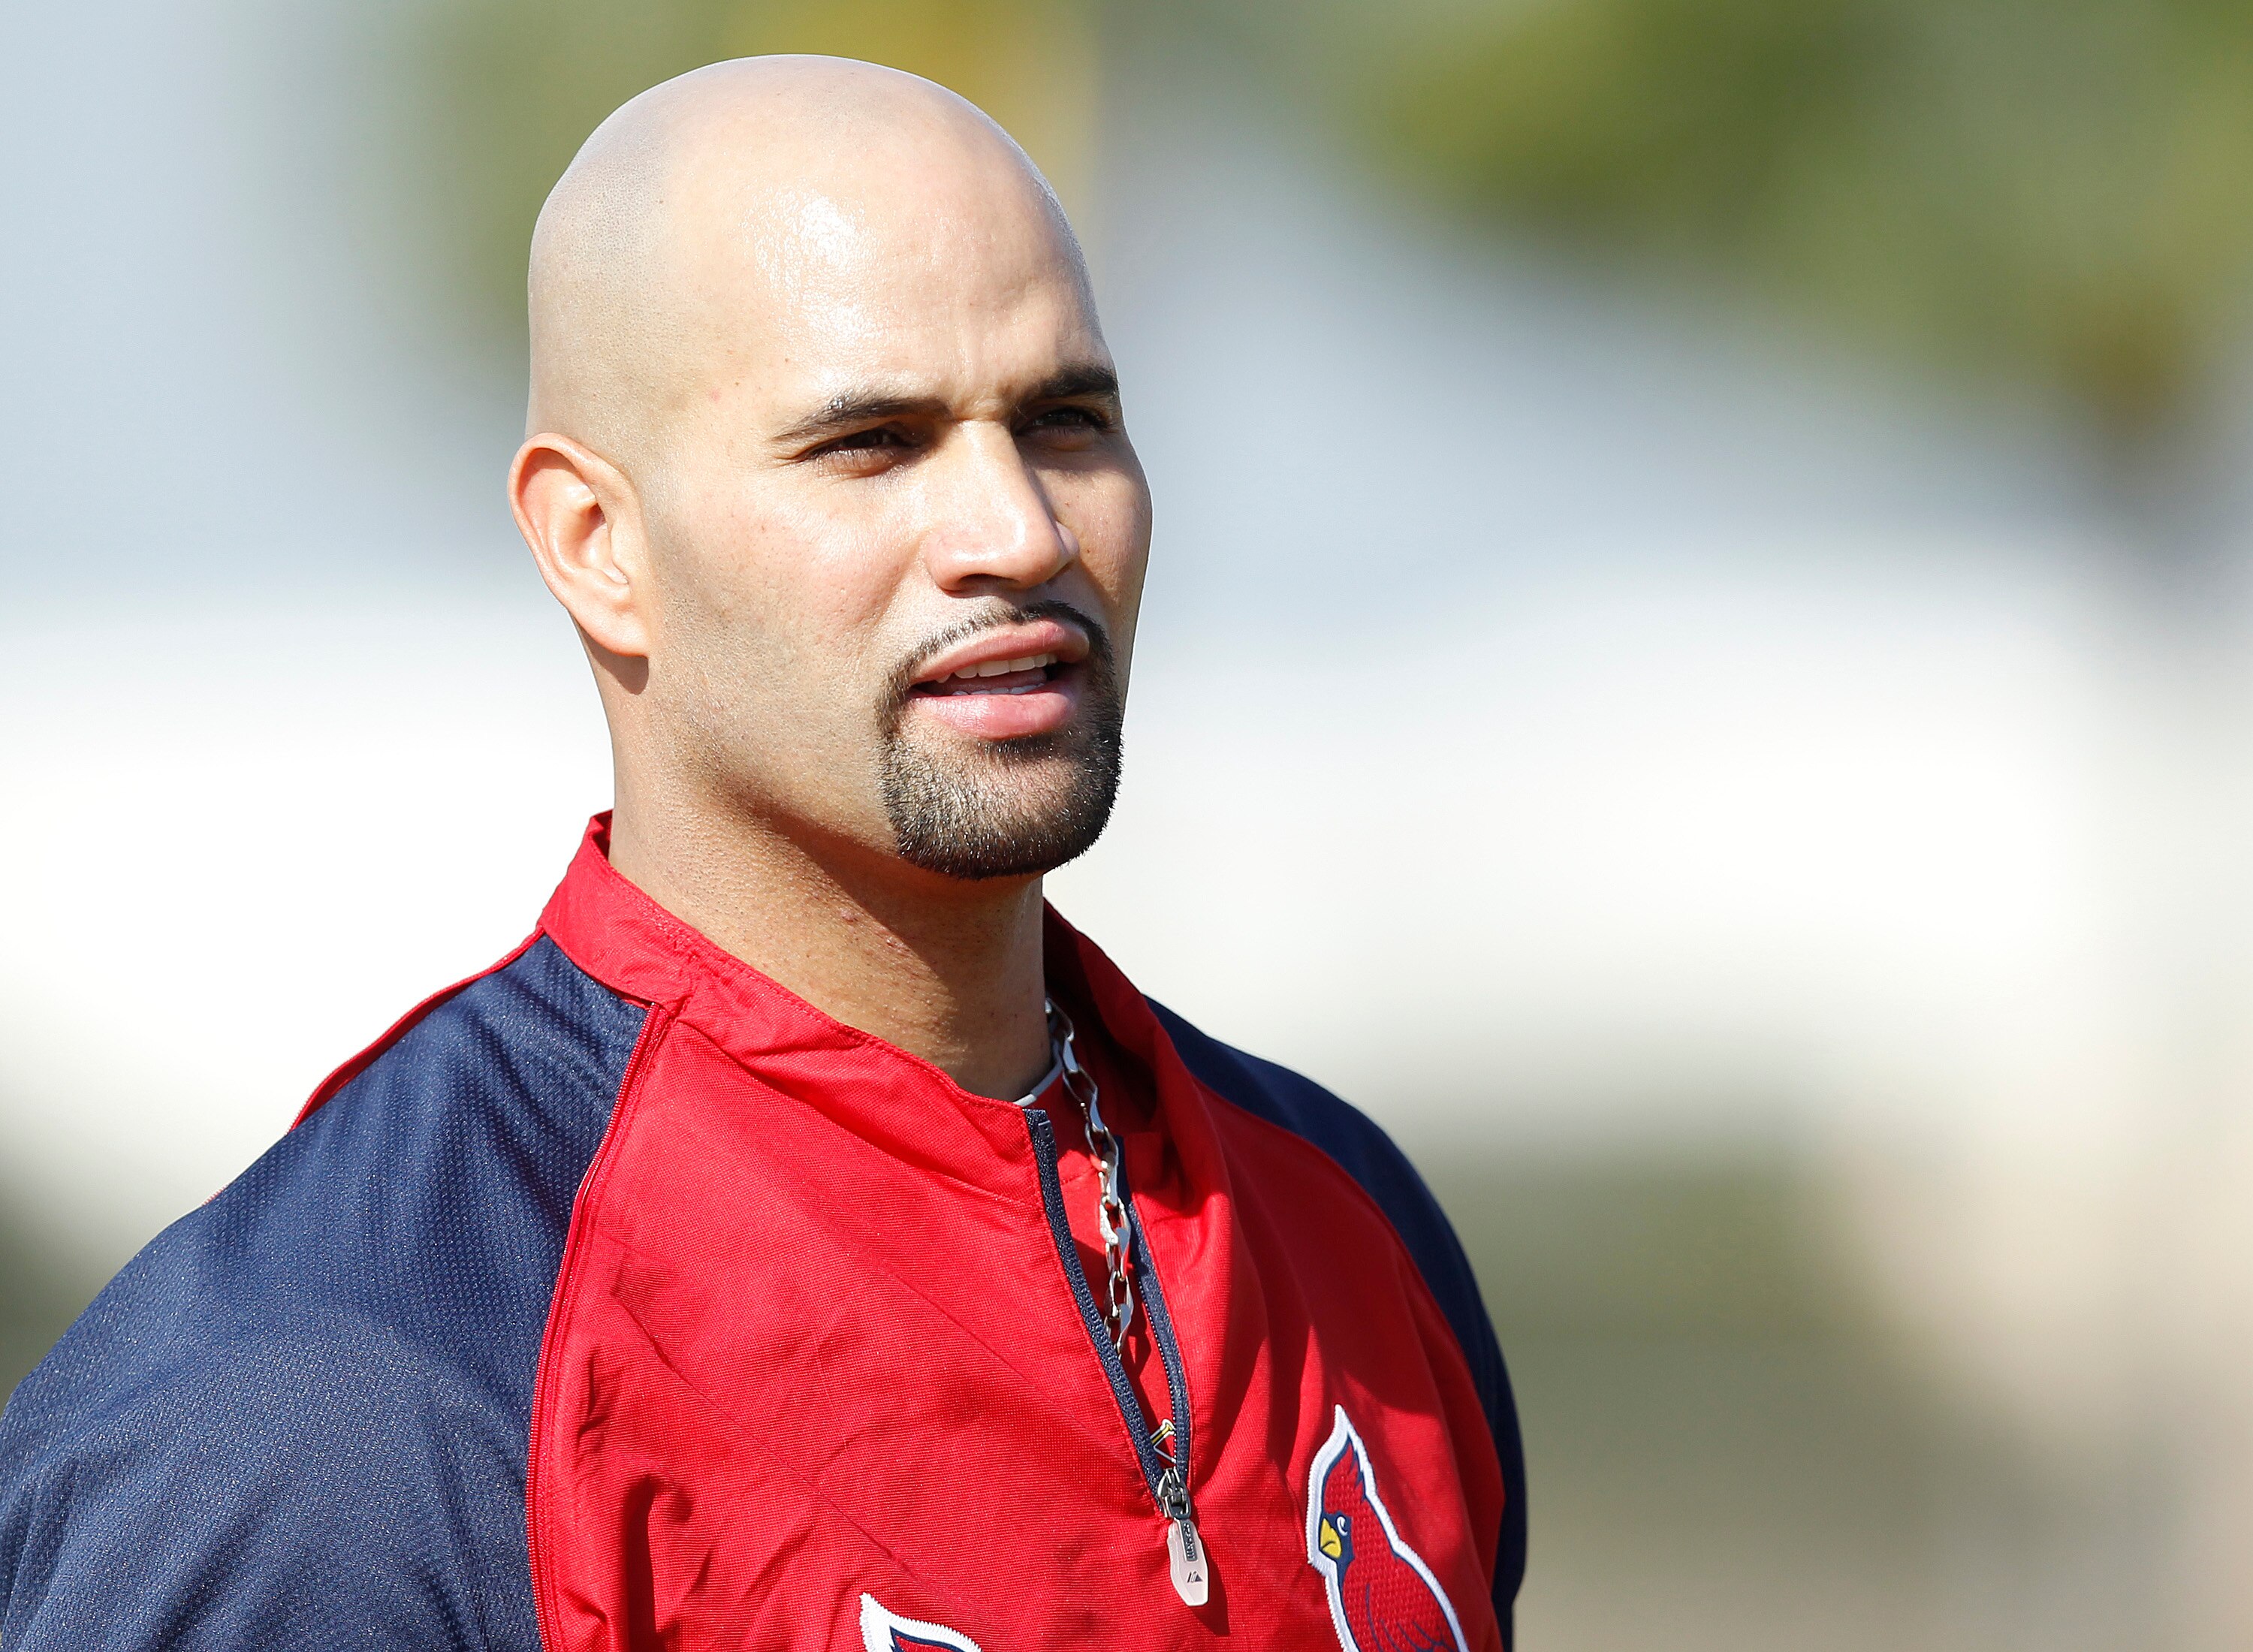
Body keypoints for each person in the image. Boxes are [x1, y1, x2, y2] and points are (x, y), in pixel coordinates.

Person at [0, 56, 1525, 1652]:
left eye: (1067, 420)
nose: (1018, 528)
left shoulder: (1346, 1225)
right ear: (601, 546)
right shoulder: (343, 1397)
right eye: (873, 443)